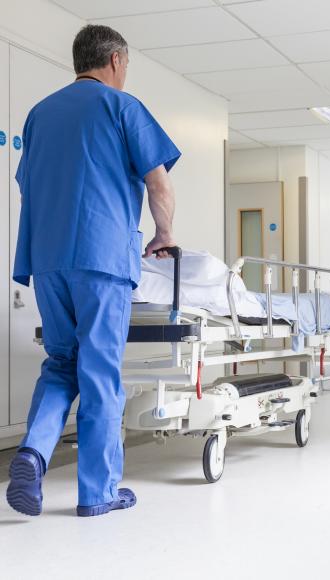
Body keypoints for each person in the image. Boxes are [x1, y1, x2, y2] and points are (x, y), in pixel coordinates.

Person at [6, 24, 181, 518]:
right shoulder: (124, 107)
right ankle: (97, 492)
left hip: (47, 259)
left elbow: (30, 185)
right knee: (100, 371)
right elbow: (159, 185)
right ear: (118, 60)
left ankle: (34, 452)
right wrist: (164, 234)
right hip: (101, 260)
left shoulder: (40, 114)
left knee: (61, 363)